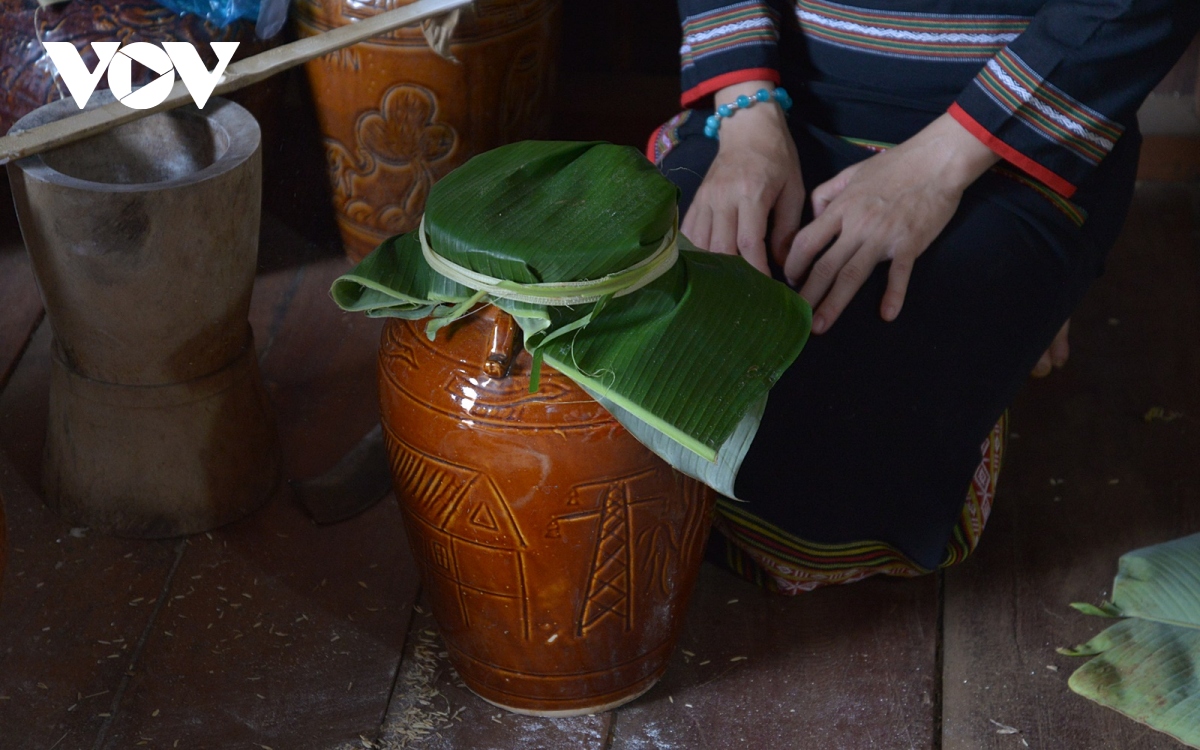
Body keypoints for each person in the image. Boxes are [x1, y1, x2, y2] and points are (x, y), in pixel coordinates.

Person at [650, 0, 1200, 593]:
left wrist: (936, 169)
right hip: (781, 104)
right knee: (661, 303)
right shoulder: (755, 117)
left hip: (1006, 135)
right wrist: (746, 119)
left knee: (853, 379)